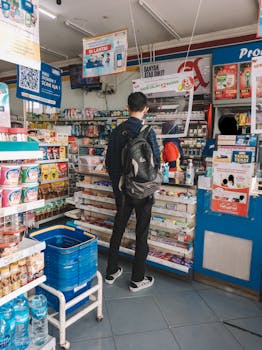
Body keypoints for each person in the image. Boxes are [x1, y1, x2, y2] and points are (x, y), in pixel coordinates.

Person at [105, 92, 160, 292]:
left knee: (118, 229)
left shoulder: (117, 131)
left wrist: (119, 186)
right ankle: (137, 279)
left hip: (123, 192)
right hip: (144, 193)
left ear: (127, 107)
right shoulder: (149, 132)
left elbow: (109, 163)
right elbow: (157, 163)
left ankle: (111, 272)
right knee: (141, 233)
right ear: (145, 108)